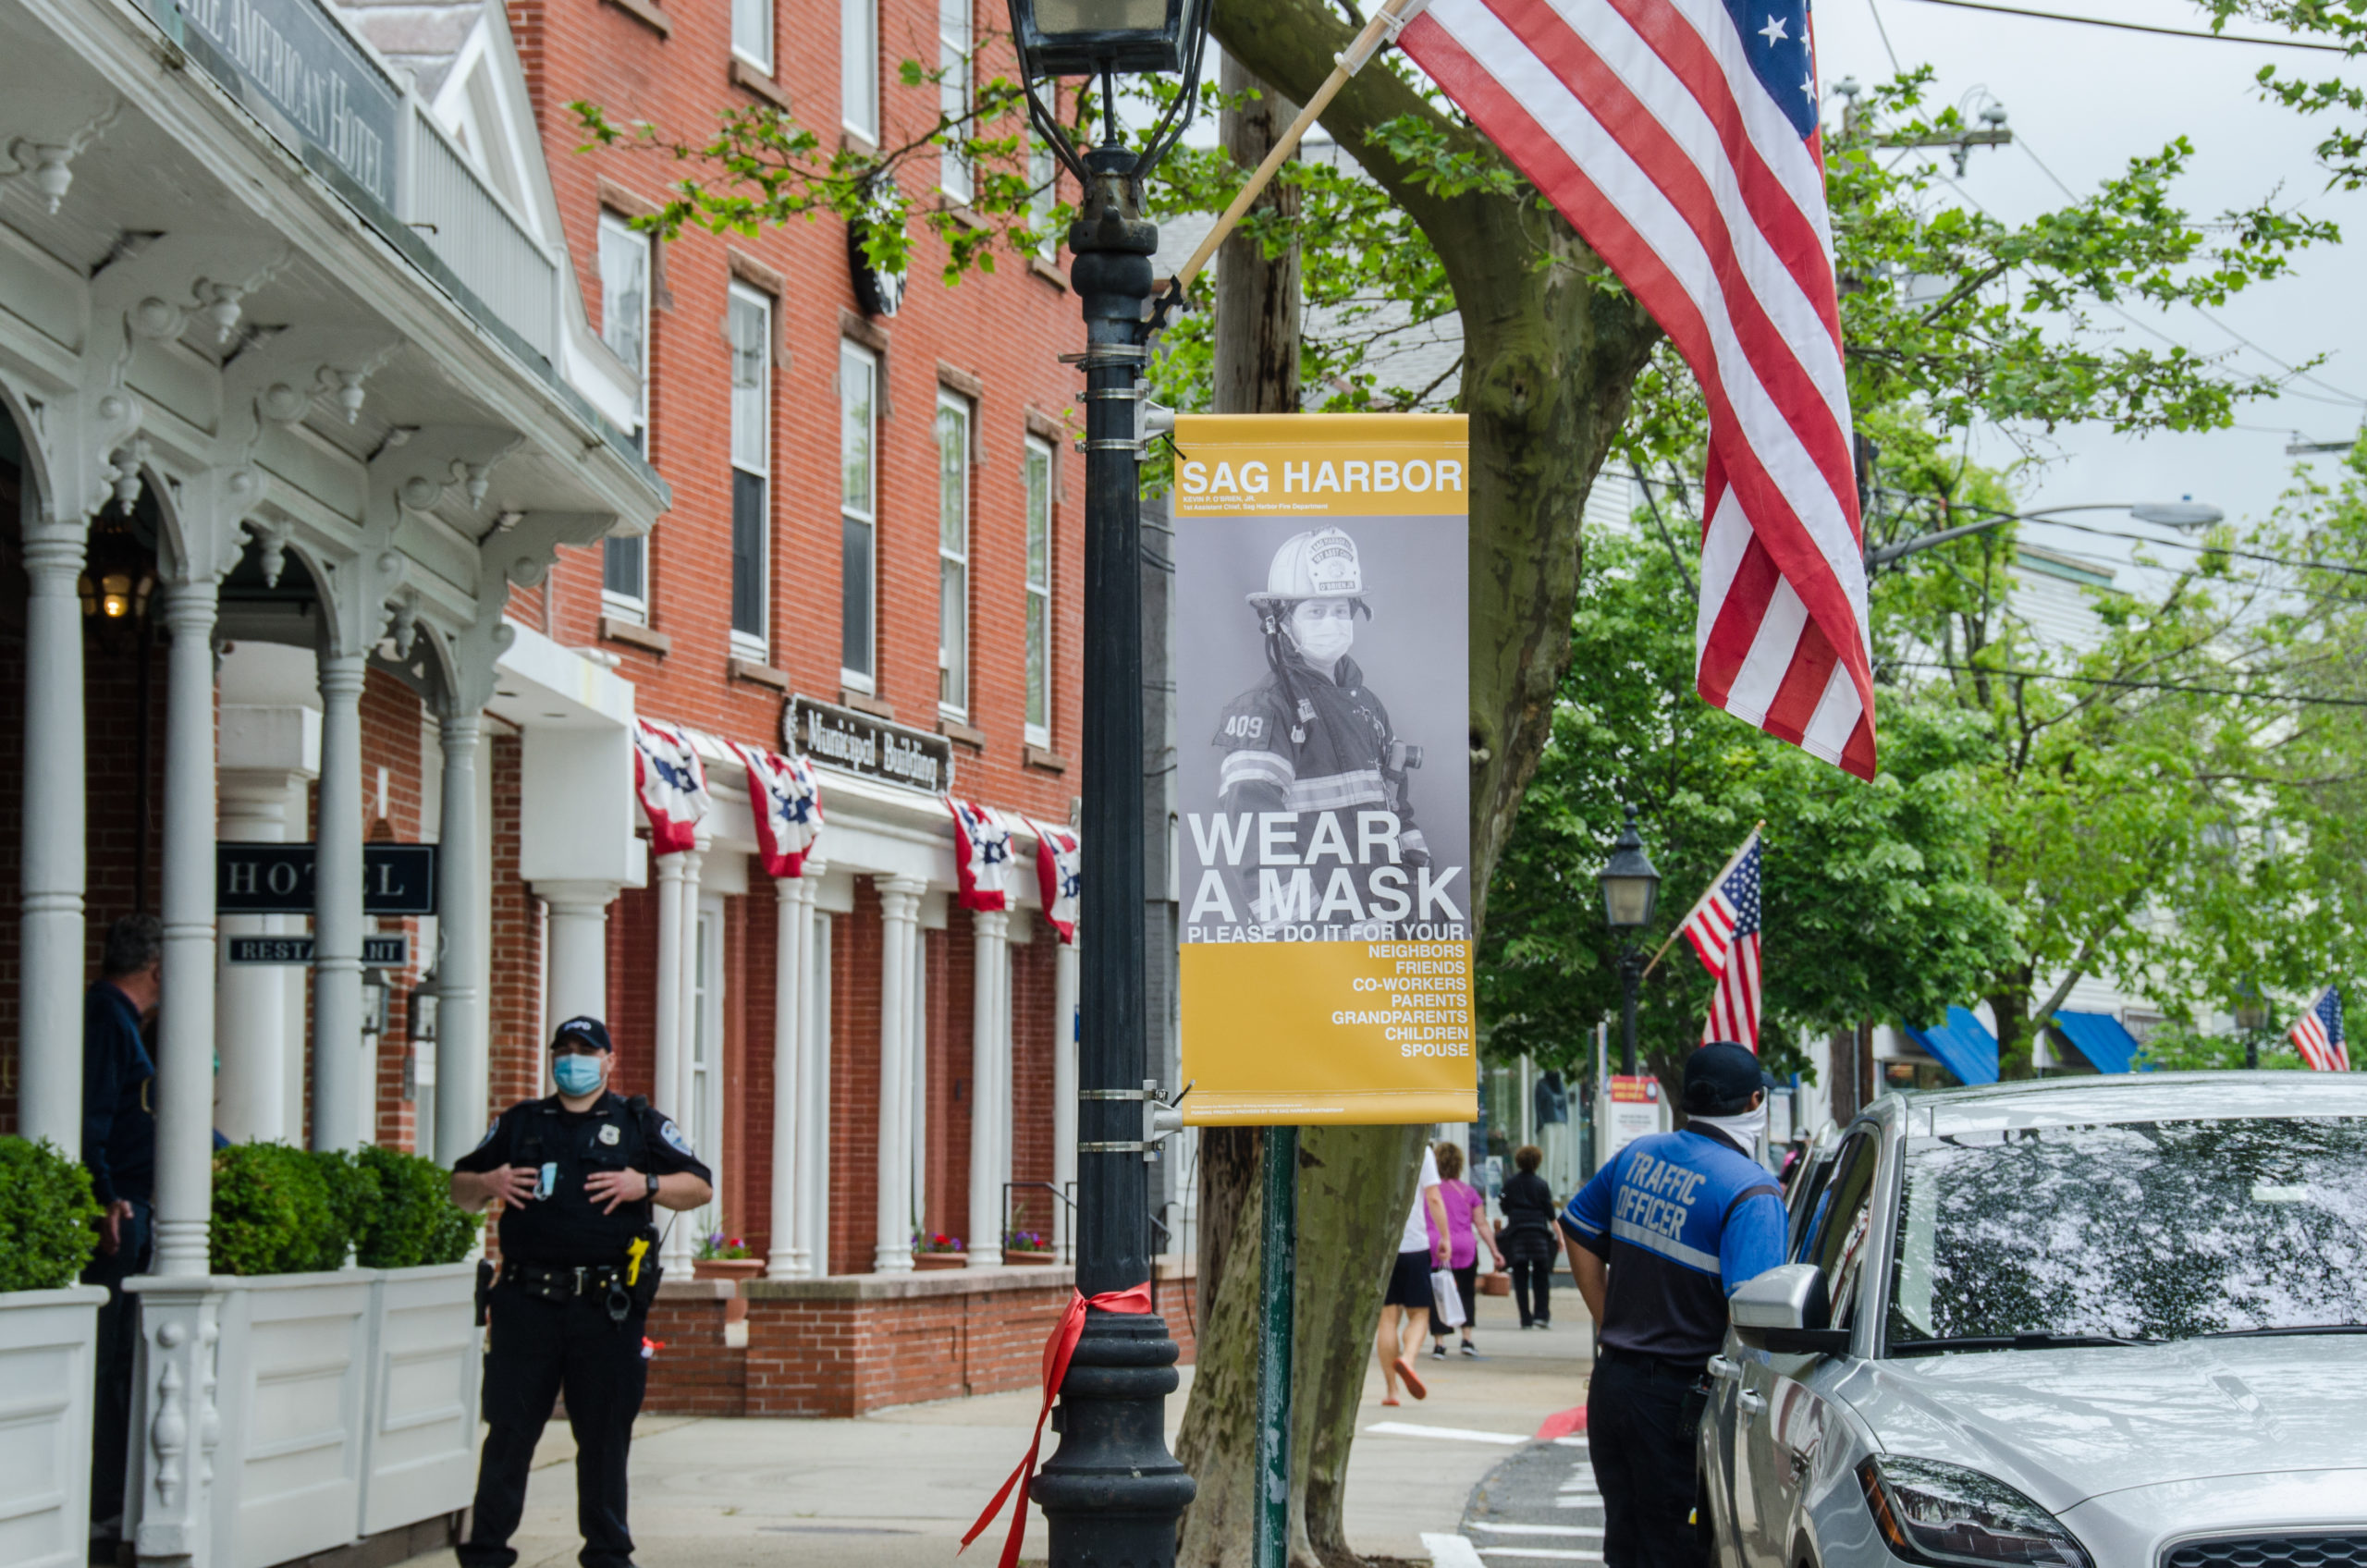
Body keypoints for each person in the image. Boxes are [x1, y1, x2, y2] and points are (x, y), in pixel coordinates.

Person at [450, 1016, 713, 1568]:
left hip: (605, 1309)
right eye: (564, 1050)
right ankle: (486, 1554)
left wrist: (647, 1184)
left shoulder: (638, 1124)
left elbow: (700, 1184)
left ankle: (607, 1554)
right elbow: (459, 1188)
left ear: (609, 1061)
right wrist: (488, 1183)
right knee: (510, 1434)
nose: (574, 1060)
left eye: (586, 1050)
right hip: (527, 1305)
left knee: (603, 1439)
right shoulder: (520, 1124)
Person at [1560, 1042, 1787, 1568]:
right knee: (1677, 1551)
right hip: (1680, 1401)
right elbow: (1760, 1319)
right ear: (1755, 1101)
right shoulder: (1752, 1194)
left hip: (1614, 1386)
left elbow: (1576, 1228)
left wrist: (1607, 1319)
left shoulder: (1636, 1156)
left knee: (1626, 1542)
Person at [1212, 527, 1429, 929]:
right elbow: (1253, 836)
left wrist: (1416, 897)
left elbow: (1396, 814)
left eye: (1341, 610)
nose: (1333, 622)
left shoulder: (1367, 705)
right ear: (1281, 621)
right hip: (1317, 947)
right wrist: (1307, 939)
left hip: (1381, 931)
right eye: (1316, 611)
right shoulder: (1267, 708)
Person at [82, 913, 161, 1538]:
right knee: (108, 1363)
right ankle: (103, 1504)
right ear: (158, 969)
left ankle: (111, 1499)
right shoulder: (107, 1019)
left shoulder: (119, 1020)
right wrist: (106, 1196)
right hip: (122, 1212)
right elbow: (93, 1116)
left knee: (123, 1363)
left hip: (134, 1206)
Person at [1376, 1140, 1449, 1405]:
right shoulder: (1421, 1149)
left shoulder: (1378, 1148)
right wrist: (1445, 1236)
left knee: (1387, 1319)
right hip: (1414, 1246)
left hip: (1382, 1246)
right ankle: (1407, 1358)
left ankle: (1392, 1391)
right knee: (1419, 1314)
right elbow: (1433, 1197)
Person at [1427, 1141, 1503, 1357]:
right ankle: (1467, 1338)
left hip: (1436, 1245)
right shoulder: (1468, 1192)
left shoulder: (1429, 1191)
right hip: (1465, 1246)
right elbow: (1481, 1224)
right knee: (1466, 1293)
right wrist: (1495, 1250)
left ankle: (1439, 1343)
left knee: (1438, 1293)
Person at [1496, 1143, 1558, 1330]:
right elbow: (1550, 1213)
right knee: (1541, 1276)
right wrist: (1560, 1237)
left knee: (1520, 1277)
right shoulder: (1541, 1184)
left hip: (1517, 1234)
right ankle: (1542, 1315)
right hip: (1538, 1234)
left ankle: (1525, 1317)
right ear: (1537, 1162)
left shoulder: (1510, 1183)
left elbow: (1504, 1207)